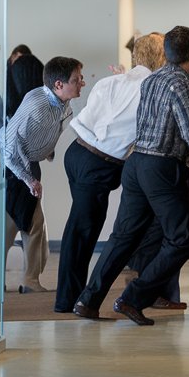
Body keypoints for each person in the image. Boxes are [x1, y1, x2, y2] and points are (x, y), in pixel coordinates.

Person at [74, 26, 189, 325]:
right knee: (182, 238)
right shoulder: (181, 83)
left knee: (123, 236)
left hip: (136, 164)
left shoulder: (152, 80)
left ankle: (88, 299)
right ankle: (132, 297)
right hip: (161, 168)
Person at [53, 34, 165, 314]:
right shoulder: (153, 87)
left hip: (77, 152)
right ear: (162, 58)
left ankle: (75, 295)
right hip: (98, 164)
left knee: (83, 227)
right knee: (82, 230)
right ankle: (67, 301)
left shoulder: (114, 81)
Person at [1, 56, 84, 294]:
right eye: (77, 80)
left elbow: (42, 136)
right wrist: (28, 180)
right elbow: (8, 149)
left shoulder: (58, 103)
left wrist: (46, 152)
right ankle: (29, 280)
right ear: (58, 84)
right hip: (15, 168)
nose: (82, 83)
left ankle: (27, 280)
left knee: (27, 224)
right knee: (25, 224)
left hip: (27, 165)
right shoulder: (38, 106)